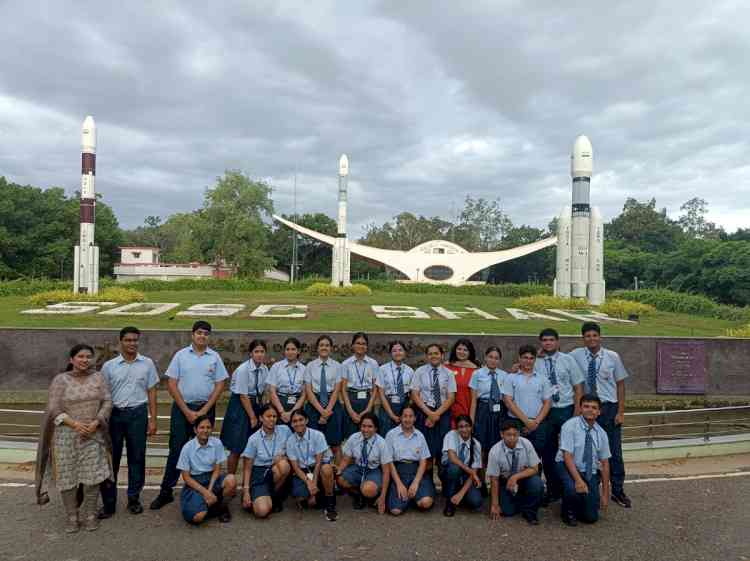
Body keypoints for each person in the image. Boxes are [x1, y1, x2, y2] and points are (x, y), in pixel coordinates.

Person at [151, 320, 229, 510]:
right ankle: (166, 491)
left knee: (206, 449)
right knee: (176, 450)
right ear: (192, 335)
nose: (203, 336)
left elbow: (220, 384)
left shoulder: (214, 357)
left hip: (205, 409)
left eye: (206, 333)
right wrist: (186, 410)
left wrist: (203, 411)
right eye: (199, 333)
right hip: (181, 409)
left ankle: (208, 489)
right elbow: (171, 383)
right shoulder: (181, 355)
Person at [35, 344, 113, 533]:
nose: (85, 360)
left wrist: (97, 421)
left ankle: (90, 514)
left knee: (92, 477)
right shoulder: (60, 380)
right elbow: (53, 408)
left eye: (88, 356)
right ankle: (72, 516)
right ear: (71, 360)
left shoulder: (98, 377)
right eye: (80, 356)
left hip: (93, 435)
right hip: (66, 436)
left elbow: (107, 401)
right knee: (67, 476)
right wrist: (74, 424)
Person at [99, 327, 159, 518]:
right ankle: (109, 503)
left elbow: (152, 392)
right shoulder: (109, 366)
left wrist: (153, 419)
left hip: (138, 414)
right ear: (120, 342)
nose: (132, 344)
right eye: (128, 340)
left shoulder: (147, 363)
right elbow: (102, 394)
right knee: (111, 460)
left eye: (135, 340)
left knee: (137, 458)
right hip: (114, 415)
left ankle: (134, 498)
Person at [569, 322, 631, 508]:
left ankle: (617, 491)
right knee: (588, 448)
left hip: (608, 409)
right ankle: (591, 487)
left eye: (594, 335)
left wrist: (621, 411)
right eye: (587, 336)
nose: (591, 339)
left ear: (600, 337)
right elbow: (555, 358)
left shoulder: (612, 357)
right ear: (583, 338)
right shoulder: (575, 355)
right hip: (586, 409)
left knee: (613, 452)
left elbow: (620, 384)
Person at [534, 328, 585, 506]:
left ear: (557, 341)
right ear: (541, 342)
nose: (548, 343)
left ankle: (570, 487)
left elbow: (578, 387)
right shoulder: (536, 362)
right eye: (544, 340)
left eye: (551, 340)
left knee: (567, 451)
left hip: (565, 408)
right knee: (547, 453)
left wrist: (577, 412)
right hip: (546, 410)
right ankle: (552, 490)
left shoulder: (568, 360)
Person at [556, 394, 611, 525]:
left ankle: (581, 500)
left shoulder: (602, 433)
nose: (590, 410)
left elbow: (605, 463)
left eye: (594, 407)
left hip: (588, 469)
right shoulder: (569, 426)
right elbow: (567, 456)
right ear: (580, 408)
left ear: (599, 412)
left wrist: (605, 494)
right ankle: (567, 511)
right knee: (572, 488)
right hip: (566, 465)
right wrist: (579, 481)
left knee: (591, 517)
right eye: (586, 406)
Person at [220, 339, 269, 475]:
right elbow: (243, 395)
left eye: (262, 352)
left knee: (254, 445)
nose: (259, 354)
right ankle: (231, 479)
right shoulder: (243, 370)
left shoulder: (264, 369)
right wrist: (252, 417)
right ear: (251, 354)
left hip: (256, 404)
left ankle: (252, 480)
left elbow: (264, 392)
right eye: (256, 352)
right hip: (240, 407)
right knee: (237, 446)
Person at [177, 415, 236, 525]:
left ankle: (221, 507)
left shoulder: (217, 443)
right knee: (197, 518)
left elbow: (217, 470)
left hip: (212, 478)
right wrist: (205, 493)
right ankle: (210, 507)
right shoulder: (187, 448)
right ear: (195, 430)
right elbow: (186, 477)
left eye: (208, 427)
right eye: (202, 427)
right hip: (195, 482)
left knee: (231, 479)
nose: (205, 430)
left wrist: (209, 490)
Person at [410, 344, 456, 478]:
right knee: (426, 451)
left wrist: (436, 414)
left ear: (442, 355)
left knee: (442, 450)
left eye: (436, 353)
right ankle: (427, 483)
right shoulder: (420, 372)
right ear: (426, 356)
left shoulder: (448, 373)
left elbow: (451, 397)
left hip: (443, 413)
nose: (433, 356)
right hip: (424, 412)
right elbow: (415, 394)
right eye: (430, 354)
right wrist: (429, 414)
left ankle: (445, 484)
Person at [487, 420, 544, 525]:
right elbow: (494, 479)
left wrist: (515, 477)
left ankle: (530, 512)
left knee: (537, 484)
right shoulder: (495, 451)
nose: (512, 438)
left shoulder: (526, 443)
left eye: (515, 434)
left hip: (523, 478)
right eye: (508, 435)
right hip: (504, 481)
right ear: (501, 434)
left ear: (519, 434)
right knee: (508, 512)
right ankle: (520, 499)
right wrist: (495, 505)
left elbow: (535, 468)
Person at [240, 405, 292, 518]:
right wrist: (246, 491)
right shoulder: (253, 439)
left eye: (274, 416)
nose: (272, 419)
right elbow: (247, 468)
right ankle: (257, 495)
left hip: (275, 470)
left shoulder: (285, 431)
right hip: (259, 473)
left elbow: (294, 451)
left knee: (283, 465)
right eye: (268, 416)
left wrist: (285, 458)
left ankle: (273, 495)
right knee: (261, 512)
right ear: (261, 418)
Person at [286, 409, 338, 521]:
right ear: (291, 424)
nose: (298, 423)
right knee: (300, 496)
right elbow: (296, 467)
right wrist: (308, 483)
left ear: (307, 420)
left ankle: (330, 504)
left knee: (327, 469)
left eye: (301, 420)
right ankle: (318, 495)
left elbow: (319, 462)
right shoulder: (290, 441)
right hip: (303, 471)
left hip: (318, 468)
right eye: (294, 421)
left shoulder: (318, 435)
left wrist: (313, 482)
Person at [502, 344, 552, 459]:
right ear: (519, 358)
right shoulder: (511, 378)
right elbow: (508, 401)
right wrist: (526, 421)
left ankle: (535, 477)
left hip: (537, 424)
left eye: (531, 358)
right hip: (516, 423)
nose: (528, 361)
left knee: (535, 457)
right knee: (516, 456)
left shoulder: (542, 379)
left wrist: (535, 423)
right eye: (525, 357)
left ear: (535, 360)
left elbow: (547, 402)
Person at [335, 413, 392, 513]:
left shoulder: (381, 443)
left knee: (368, 490)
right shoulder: (354, 438)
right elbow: (345, 460)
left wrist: (383, 497)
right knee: (341, 480)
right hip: (358, 467)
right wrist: (338, 471)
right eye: (363, 426)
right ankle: (358, 493)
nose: (365, 430)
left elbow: (386, 472)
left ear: (376, 428)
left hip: (373, 470)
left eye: (370, 426)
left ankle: (370, 492)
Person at [384, 405, 434, 515]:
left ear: (415, 418)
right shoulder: (391, 435)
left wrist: (416, 483)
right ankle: (408, 498)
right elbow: (389, 462)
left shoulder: (420, 435)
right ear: (400, 418)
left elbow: (423, 462)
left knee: (426, 503)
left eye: (411, 416)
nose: (408, 419)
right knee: (395, 511)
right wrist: (399, 484)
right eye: (405, 416)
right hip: (399, 472)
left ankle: (413, 496)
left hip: (416, 471)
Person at [469, 345, 507, 486]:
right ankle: (481, 482)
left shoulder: (504, 375)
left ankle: (496, 482)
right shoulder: (477, 374)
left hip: (499, 412)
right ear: (485, 357)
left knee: (496, 447)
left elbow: (507, 398)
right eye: (490, 357)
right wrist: (472, 421)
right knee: (482, 448)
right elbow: (473, 400)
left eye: (496, 358)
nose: (493, 360)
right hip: (483, 410)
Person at [304, 335, 344, 460]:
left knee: (335, 444)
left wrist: (327, 412)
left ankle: (337, 475)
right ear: (317, 348)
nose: (324, 347)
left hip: (332, 405)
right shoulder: (310, 366)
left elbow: (337, 390)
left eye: (327, 345)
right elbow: (309, 391)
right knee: (313, 443)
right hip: (314, 406)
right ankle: (317, 475)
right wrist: (321, 411)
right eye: (321, 345)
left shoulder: (337, 366)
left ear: (331, 348)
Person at [440, 415, 483, 516]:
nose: (464, 429)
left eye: (467, 426)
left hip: (465, 476)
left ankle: (459, 494)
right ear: (457, 428)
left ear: (472, 427)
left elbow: (474, 473)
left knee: (476, 502)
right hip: (448, 472)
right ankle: (450, 502)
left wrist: (461, 494)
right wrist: (471, 472)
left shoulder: (476, 444)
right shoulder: (451, 435)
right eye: (461, 426)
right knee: (455, 468)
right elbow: (452, 458)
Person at [341, 332, 379, 439]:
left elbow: (375, 388)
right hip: (351, 400)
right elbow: (343, 389)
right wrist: (350, 411)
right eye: (358, 343)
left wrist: (368, 408)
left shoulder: (373, 363)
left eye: (363, 344)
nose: (360, 346)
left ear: (367, 346)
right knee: (351, 436)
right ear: (352, 345)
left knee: (367, 434)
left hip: (367, 400)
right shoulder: (346, 364)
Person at [376, 340, 415, 436]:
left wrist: (407, 411)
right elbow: (381, 393)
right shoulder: (382, 369)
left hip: (404, 405)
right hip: (387, 405)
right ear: (390, 353)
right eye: (394, 351)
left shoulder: (410, 371)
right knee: (386, 435)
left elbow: (412, 394)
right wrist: (391, 414)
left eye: (400, 350)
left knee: (404, 435)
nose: (398, 353)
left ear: (405, 352)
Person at [268, 337, 307, 425]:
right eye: (287, 349)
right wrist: (281, 412)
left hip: (296, 405)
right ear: (284, 351)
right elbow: (272, 391)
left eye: (293, 349)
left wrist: (293, 412)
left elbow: (304, 394)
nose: (290, 352)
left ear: (298, 351)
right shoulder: (276, 367)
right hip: (279, 404)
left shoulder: (304, 369)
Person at [445, 339, 478, 427]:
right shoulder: (447, 367)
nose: (461, 352)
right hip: (450, 412)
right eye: (459, 349)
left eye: (465, 350)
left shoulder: (477, 369)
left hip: (469, 410)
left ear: (470, 352)